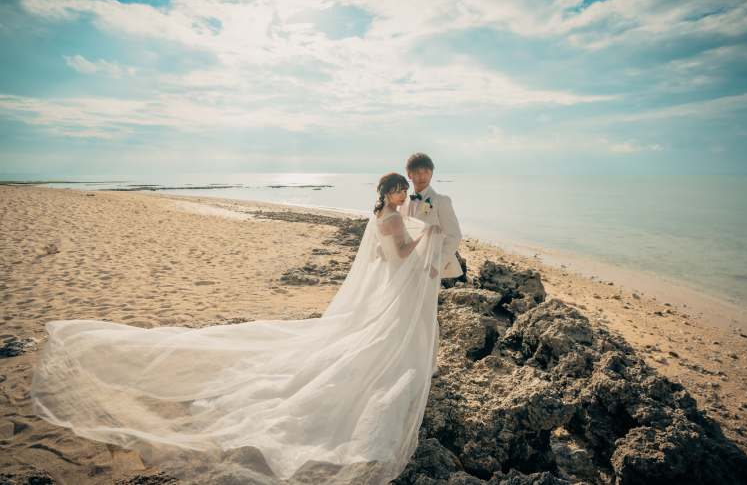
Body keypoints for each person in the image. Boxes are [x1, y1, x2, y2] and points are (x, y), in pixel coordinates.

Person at [30, 174, 444, 485]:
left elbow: (377, 252)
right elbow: (401, 250)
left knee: (377, 330)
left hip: (389, 280)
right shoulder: (393, 220)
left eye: (407, 192)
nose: (404, 196)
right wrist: (427, 237)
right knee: (386, 332)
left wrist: (415, 234)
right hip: (397, 282)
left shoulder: (379, 216)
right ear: (387, 192)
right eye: (400, 191)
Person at [399, 153, 463, 280]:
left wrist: (437, 267)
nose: (422, 176)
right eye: (417, 172)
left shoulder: (441, 200)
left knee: (427, 301)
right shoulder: (405, 201)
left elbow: (455, 236)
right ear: (409, 175)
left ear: (432, 173)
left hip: (429, 269)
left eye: (426, 172)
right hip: (407, 266)